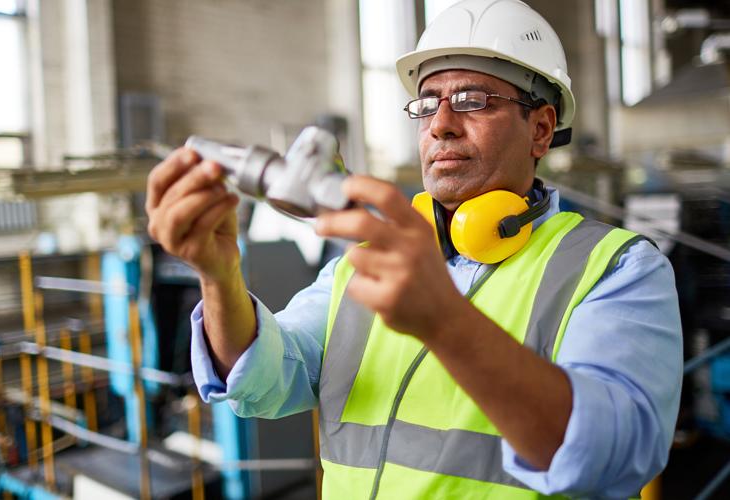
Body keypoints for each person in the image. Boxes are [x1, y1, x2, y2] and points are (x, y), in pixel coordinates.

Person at [145, 0, 682, 497]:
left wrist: (444, 321)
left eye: (474, 100)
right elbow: (262, 382)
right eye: (427, 104)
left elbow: (617, 456)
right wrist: (219, 275)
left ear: (541, 129)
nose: (442, 124)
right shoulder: (359, 267)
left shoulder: (613, 267)